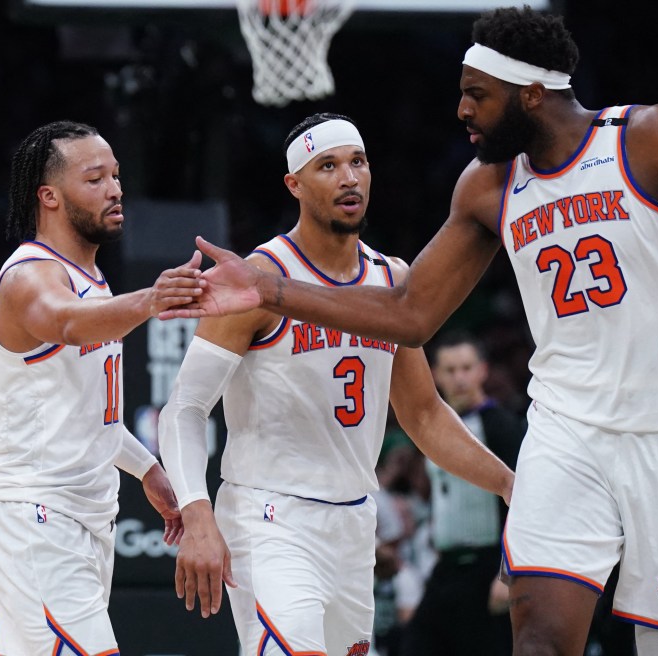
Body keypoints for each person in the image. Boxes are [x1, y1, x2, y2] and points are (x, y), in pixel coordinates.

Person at [186, 7, 658, 654]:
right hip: (568, 431)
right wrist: (271, 289)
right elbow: (408, 315)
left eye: (477, 95)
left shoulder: (653, 135)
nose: (462, 111)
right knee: (536, 634)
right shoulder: (487, 187)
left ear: (531, 95)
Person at [156, 113, 515, 656]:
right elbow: (184, 407)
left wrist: (511, 484)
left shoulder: (391, 280)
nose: (349, 177)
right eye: (328, 165)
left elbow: (423, 415)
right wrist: (198, 513)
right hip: (269, 516)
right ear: (294, 185)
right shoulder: (260, 277)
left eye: (358, 162)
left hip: (354, 523)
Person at [0, 120, 201, 655]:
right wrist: (152, 300)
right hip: (34, 516)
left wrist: (149, 469)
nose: (115, 189)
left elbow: (91, 414)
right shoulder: (29, 276)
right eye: (95, 179)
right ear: (48, 197)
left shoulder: (95, 283)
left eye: (116, 176)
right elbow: (66, 322)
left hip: (84, 520)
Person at [400, 331, 525, 656]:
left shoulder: (500, 425)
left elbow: (524, 500)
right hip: (446, 566)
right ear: (435, 375)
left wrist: (508, 573)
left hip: (487, 567)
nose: (460, 378)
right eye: (451, 370)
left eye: (467, 368)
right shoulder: (432, 429)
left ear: (482, 370)